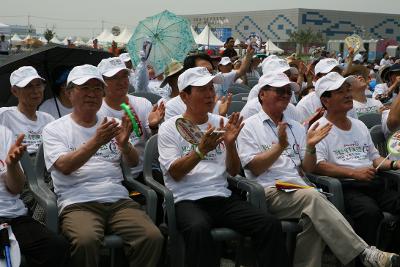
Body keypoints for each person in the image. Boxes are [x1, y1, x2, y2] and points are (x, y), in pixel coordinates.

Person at [237, 71, 399, 267]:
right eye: (279, 90)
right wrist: (279, 147)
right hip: (269, 189)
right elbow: (254, 168)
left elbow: (307, 168)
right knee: (314, 198)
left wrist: (311, 147)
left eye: (288, 91)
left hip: (299, 188)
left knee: (313, 221)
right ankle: (364, 252)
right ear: (262, 94)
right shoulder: (248, 127)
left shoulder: (296, 127)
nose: (286, 95)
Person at [158, 66, 289, 267]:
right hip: (185, 199)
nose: (210, 95)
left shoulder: (222, 122)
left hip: (221, 196)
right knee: (198, 228)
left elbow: (234, 171)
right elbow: (175, 173)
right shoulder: (170, 127)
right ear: (184, 96)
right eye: (202, 90)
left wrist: (230, 144)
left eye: (211, 88)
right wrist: (201, 151)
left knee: (269, 224)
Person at [42, 64, 163, 267]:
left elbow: (133, 163)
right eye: (85, 88)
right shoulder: (55, 129)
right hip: (77, 202)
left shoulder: (112, 122)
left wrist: (125, 146)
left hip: (117, 199)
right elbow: (64, 166)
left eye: (97, 89)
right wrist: (96, 141)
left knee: (152, 236)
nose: (92, 94)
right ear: (69, 93)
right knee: (85, 241)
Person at [313, 72, 400, 248]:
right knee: (370, 213)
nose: (347, 95)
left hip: (372, 182)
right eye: (340, 92)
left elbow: (375, 158)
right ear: (326, 101)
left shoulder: (359, 125)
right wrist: (354, 173)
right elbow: (318, 166)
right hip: (345, 186)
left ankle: (392, 253)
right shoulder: (319, 128)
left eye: (347, 90)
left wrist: (394, 164)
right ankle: (365, 260)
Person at [0, 128, 70, 267]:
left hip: (12, 216)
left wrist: (12, 165)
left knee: (55, 247)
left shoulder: (3, 133)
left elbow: (16, 188)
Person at [97, 57, 165, 180]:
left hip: (145, 171)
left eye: (124, 76)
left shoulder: (143, 103)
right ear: (102, 82)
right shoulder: (96, 111)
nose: (121, 82)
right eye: (114, 78)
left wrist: (153, 127)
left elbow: (156, 148)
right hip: (113, 176)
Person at [295, 58, 358, 123]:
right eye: (330, 73)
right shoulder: (305, 105)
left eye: (338, 72)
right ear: (316, 78)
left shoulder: (347, 102)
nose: (335, 76)